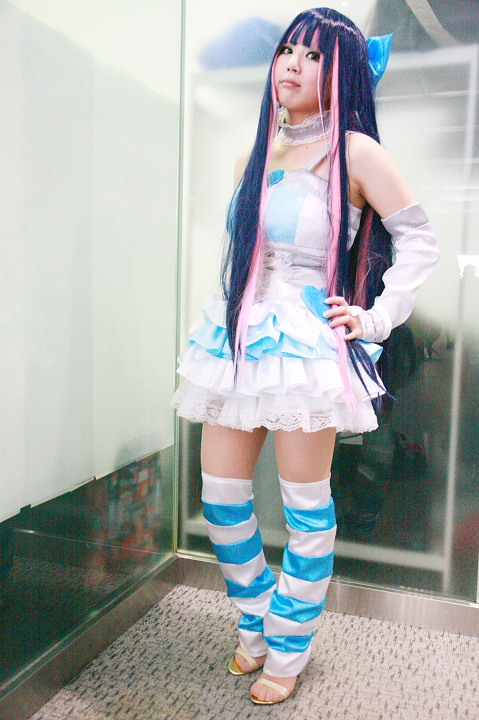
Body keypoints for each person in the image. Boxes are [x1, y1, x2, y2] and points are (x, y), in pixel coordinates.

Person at [172, 6, 439, 705]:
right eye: (287, 49)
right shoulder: (250, 155)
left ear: (342, 72)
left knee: (305, 507)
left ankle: (287, 646)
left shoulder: (356, 152)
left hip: (307, 346)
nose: (291, 63)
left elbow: (420, 241)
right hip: (239, 338)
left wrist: (375, 317)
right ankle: (257, 617)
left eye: (313, 55)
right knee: (221, 498)